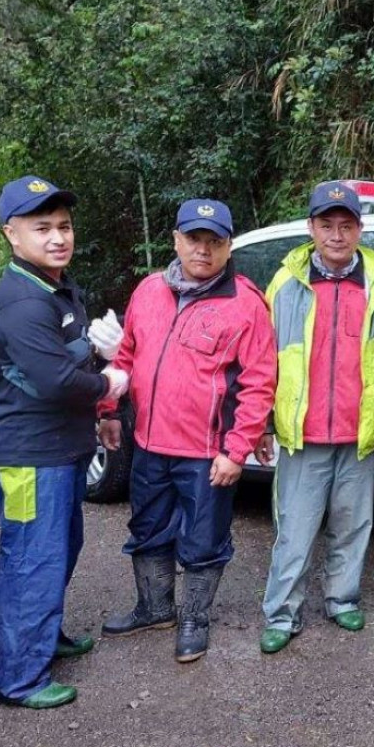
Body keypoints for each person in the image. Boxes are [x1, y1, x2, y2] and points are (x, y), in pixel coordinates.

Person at [97, 199, 276, 663]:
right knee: (147, 527)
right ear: (175, 240)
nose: (203, 249)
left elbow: (259, 384)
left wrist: (236, 452)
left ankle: (194, 618)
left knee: (203, 538)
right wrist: (109, 409)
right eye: (194, 239)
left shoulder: (246, 303)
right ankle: (154, 607)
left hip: (206, 452)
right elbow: (126, 357)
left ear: (228, 245)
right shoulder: (149, 290)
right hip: (150, 443)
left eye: (214, 241)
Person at [0, 175, 128, 709]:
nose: (57, 237)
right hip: (28, 459)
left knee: (58, 550)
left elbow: (67, 360)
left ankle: (42, 636)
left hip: (61, 451)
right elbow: (55, 382)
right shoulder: (23, 300)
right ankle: (17, 678)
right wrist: (110, 382)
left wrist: (98, 374)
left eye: (63, 226)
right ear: (11, 235)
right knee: (31, 561)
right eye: (41, 227)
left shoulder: (58, 288)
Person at [256, 182, 374, 654]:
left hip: (357, 431)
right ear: (311, 228)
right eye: (327, 225)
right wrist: (262, 423)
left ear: (359, 229)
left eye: (346, 226)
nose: (337, 235)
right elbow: (265, 358)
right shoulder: (286, 284)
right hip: (302, 434)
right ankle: (282, 612)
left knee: (352, 524)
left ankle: (342, 598)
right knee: (296, 531)